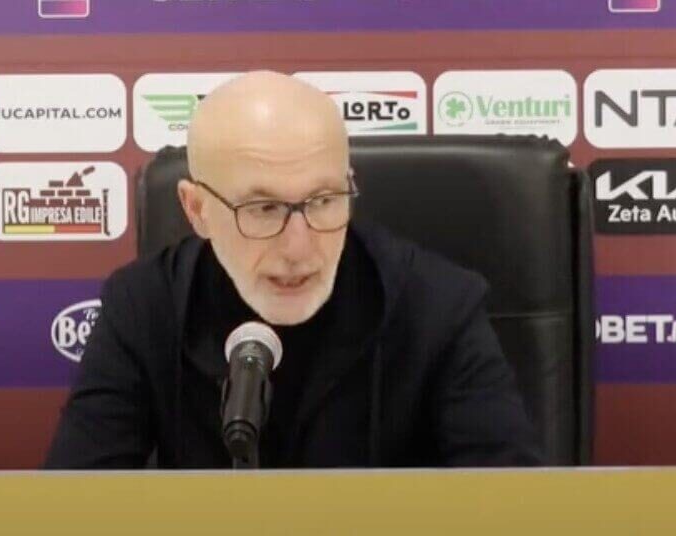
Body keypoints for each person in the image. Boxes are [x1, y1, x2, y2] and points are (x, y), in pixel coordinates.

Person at [45, 71, 542, 469]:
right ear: (197, 209)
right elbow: (74, 506)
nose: (299, 248)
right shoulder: (143, 308)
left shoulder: (437, 307)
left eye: (324, 200)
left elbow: (513, 507)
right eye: (263, 209)